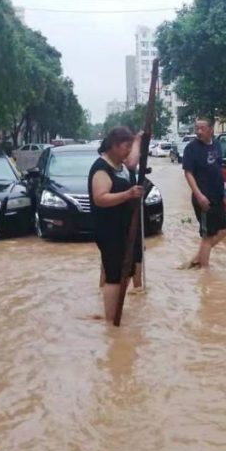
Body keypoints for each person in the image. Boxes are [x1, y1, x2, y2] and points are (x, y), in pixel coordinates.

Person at [88, 127, 144, 324]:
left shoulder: (121, 165)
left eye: (130, 147)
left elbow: (132, 161)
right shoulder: (102, 168)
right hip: (110, 230)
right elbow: (100, 198)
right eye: (125, 147)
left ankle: (115, 309)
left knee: (127, 270)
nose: (128, 152)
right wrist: (128, 194)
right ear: (113, 146)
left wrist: (137, 141)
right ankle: (111, 323)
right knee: (113, 273)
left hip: (126, 228)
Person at [182, 117, 226, 268]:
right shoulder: (191, 148)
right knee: (207, 237)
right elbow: (188, 173)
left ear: (211, 130)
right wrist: (199, 195)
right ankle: (205, 275)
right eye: (197, 128)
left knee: (223, 232)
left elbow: (218, 169)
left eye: (202, 128)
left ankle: (196, 259)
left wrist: (224, 194)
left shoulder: (216, 145)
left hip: (217, 196)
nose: (199, 131)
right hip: (203, 198)